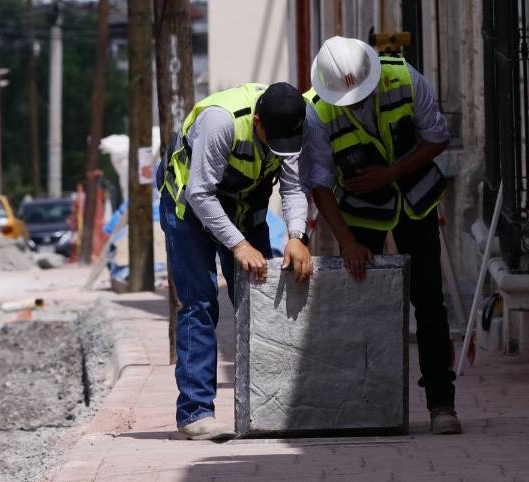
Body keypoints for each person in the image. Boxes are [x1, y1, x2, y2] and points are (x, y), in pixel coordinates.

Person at [302, 37, 461, 435]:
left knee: (428, 301)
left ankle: (442, 403)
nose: (353, 104)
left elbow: (437, 137)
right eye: (346, 100)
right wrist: (347, 242)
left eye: (359, 97)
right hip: (361, 214)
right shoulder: (317, 112)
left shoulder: (405, 78)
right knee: (359, 308)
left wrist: (390, 173)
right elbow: (319, 183)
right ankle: (363, 405)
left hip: (416, 201)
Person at [158, 81, 313, 441]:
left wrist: (296, 236)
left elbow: (292, 187)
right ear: (257, 121)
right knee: (199, 303)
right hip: (190, 210)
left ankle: (269, 406)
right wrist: (239, 246)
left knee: (258, 303)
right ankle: (196, 411)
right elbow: (199, 192)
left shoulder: (292, 124)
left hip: (246, 209)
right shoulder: (221, 121)